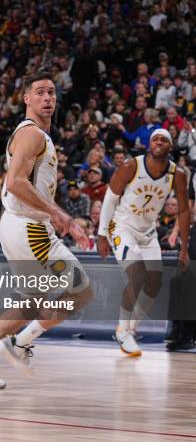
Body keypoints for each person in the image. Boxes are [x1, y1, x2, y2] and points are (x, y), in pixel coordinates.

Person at [0, 72, 93, 375]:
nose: (47, 98)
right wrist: (60, 215)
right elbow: (16, 182)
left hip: (19, 224)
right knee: (81, 290)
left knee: (32, 300)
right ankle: (20, 343)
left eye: (52, 93)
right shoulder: (31, 134)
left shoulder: (35, 134)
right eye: (40, 92)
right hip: (30, 227)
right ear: (26, 98)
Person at [97, 128, 190, 356]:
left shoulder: (177, 174)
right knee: (137, 274)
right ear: (149, 144)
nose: (158, 142)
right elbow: (110, 199)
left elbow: (185, 211)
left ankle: (131, 327)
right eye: (155, 139)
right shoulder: (131, 166)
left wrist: (184, 248)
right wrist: (101, 235)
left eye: (164, 139)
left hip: (148, 232)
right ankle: (122, 330)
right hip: (121, 226)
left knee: (154, 284)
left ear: (171, 146)